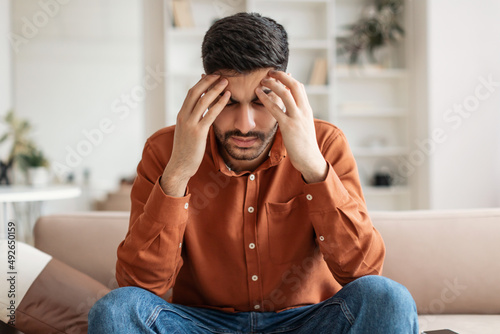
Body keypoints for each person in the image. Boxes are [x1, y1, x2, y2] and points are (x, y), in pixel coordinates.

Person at [89, 12, 418, 334]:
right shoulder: (164, 151)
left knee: (388, 298)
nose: (244, 125)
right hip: (200, 323)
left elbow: (363, 272)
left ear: (286, 93)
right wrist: (177, 174)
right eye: (229, 102)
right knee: (116, 309)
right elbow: (141, 286)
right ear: (204, 95)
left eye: (261, 102)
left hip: (307, 322)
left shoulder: (325, 143)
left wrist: (313, 169)